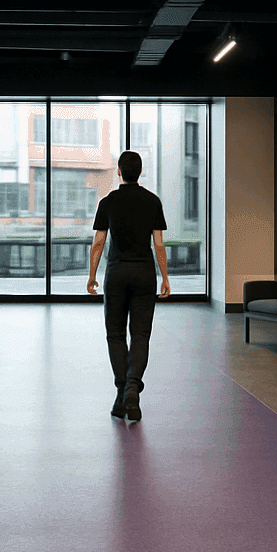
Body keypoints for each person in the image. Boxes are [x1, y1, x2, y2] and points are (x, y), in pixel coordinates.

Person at [87, 150, 170, 422]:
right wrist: (165, 277)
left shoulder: (108, 202)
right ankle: (132, 388)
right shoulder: (152, 201)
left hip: (116, 275)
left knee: (116, 335)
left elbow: (99, 242)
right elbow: (158, 244)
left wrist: (91, 275)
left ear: (119, 171)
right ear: (140, 171)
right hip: (144, 274)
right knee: (141, 335)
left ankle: (122, 392)